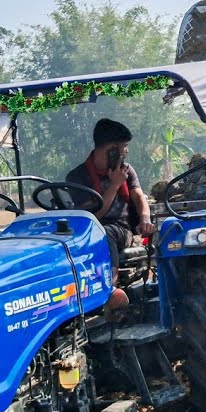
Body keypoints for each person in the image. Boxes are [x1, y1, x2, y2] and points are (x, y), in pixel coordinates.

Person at [65, 118, 157, 298]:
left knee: (104, 233)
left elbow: (139, 197)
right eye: (124, 147)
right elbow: (95, 215)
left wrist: (145, 219)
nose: (126, 151)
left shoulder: (126, 171)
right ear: (111, 150)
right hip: (88, 227)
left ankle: (110, 290)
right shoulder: (77, 177)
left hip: (120, 228)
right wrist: (114, 185)